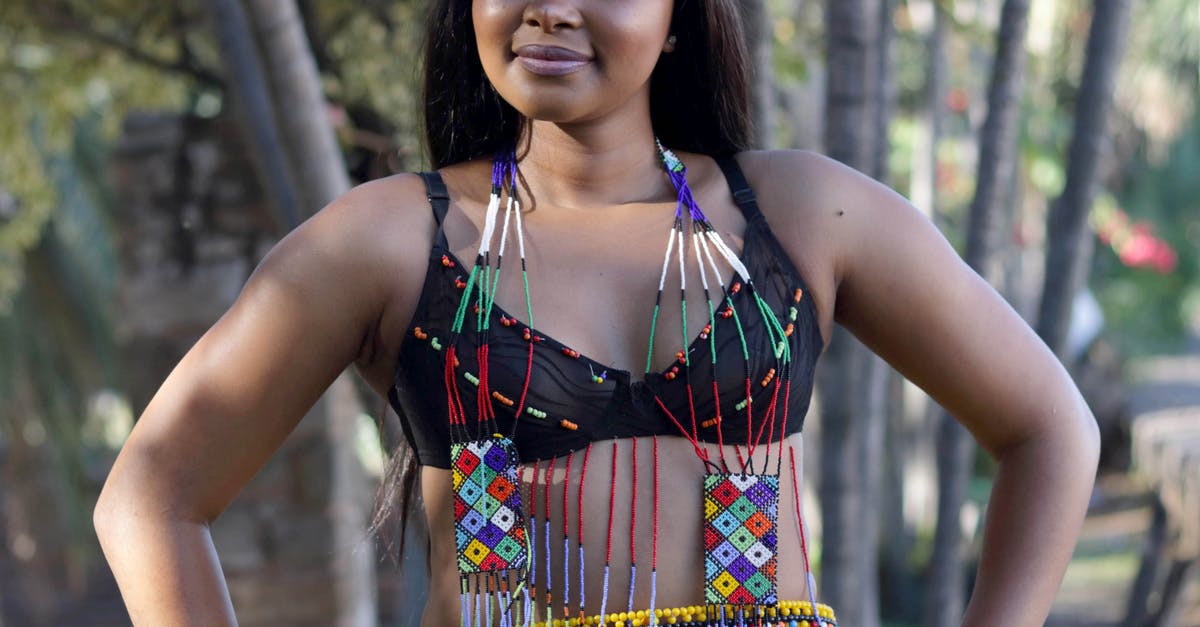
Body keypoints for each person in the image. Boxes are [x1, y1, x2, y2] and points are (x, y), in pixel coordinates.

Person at [93, 1, 1100, 625]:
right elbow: (150, 497)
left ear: (676, 16)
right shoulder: (389, 241)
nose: (549, 10)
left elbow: (1048, 427)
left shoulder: (805, 215)